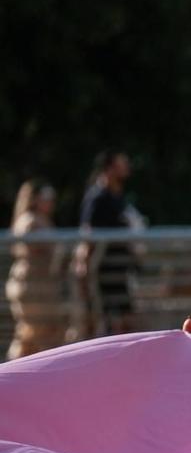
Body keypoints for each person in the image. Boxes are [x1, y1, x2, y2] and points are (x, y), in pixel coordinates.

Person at [77, 151, 138, 335]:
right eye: (121, 164)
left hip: (119, 269)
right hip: (104, 270)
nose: (126, 167)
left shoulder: (117, 196)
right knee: (110, 322)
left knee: (126, 319)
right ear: (109, 168)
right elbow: (88, 233)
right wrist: (84, 267)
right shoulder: (98, 197)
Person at [8, 181, 66, 359]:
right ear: (34, 199)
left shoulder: (39, 219)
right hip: (33, 287)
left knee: (30, 337)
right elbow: (32, 244)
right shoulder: (31, 221)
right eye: (47, 198)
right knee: (38, 334)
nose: (51, 202)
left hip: (38, 285)